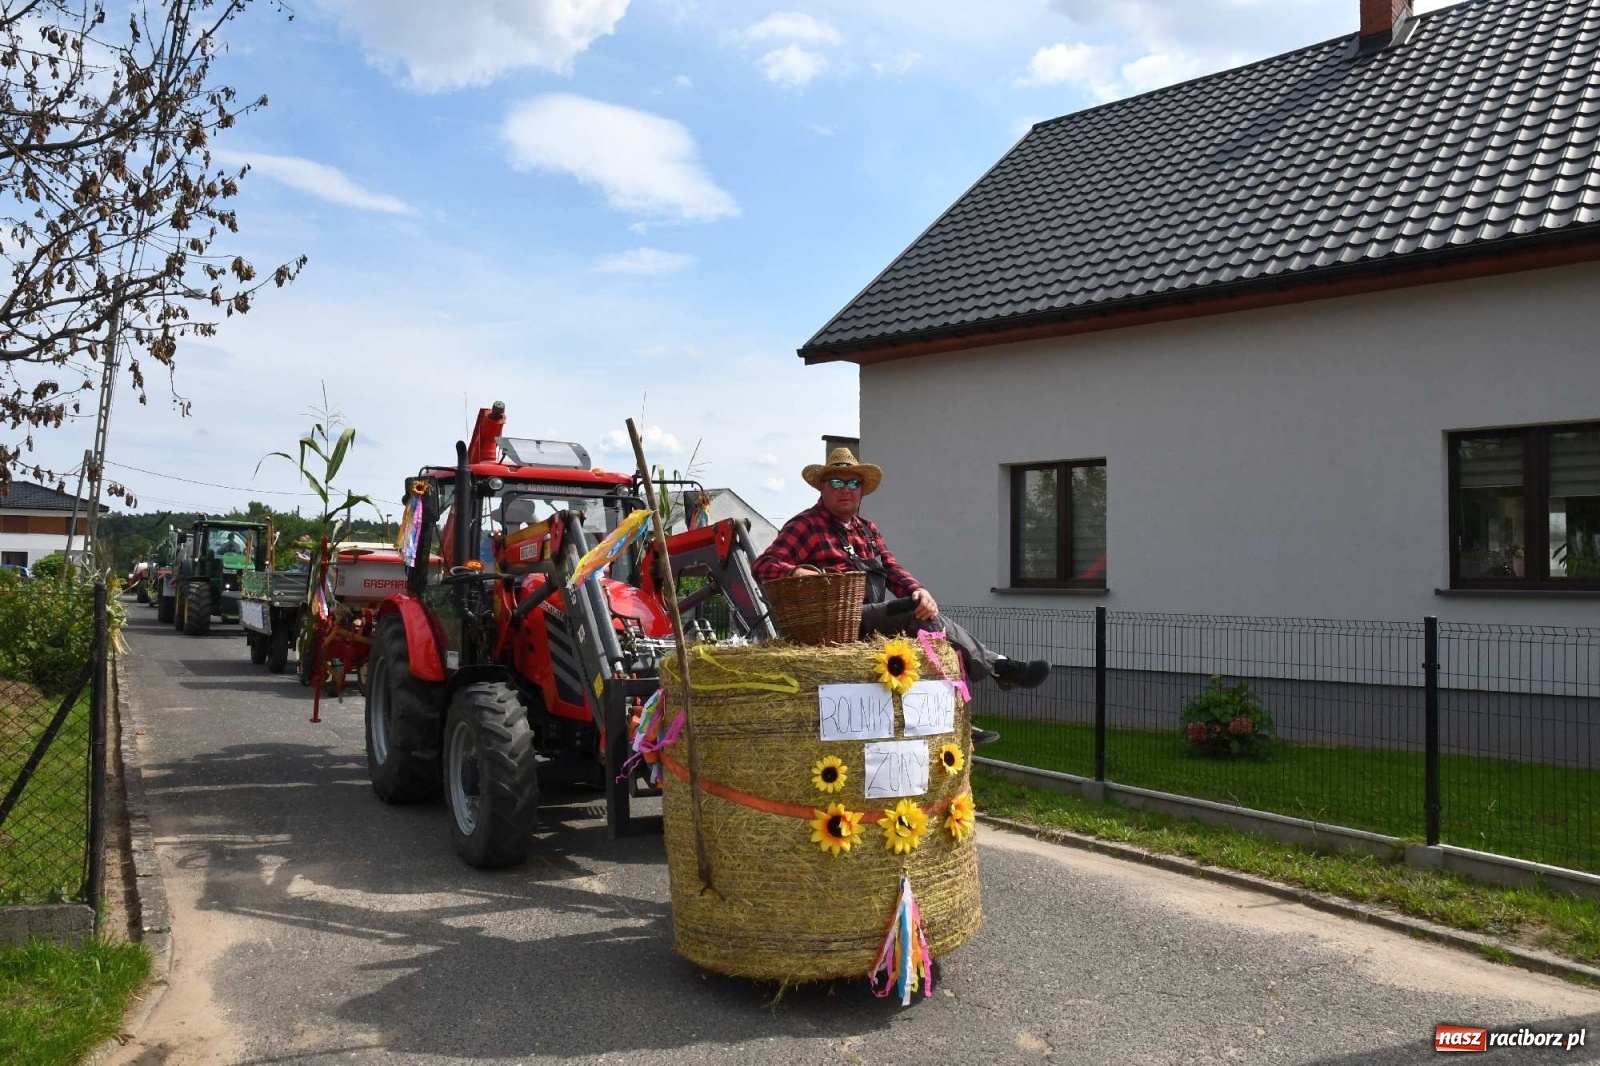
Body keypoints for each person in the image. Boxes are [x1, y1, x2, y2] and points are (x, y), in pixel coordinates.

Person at [755, 448, 1051, 743]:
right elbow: (764, 566)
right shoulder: (805, 525)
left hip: (874, 617)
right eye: (836, 483)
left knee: (927, 622)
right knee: (912, 612)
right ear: (822, 488)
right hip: (835, 626)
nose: (845, 490)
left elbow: (892, 569)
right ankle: (998, 668)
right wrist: (795, 573)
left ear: (861, 491)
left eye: (853, 483)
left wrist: (918, 590)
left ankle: (958, 720)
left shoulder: (867, 530)